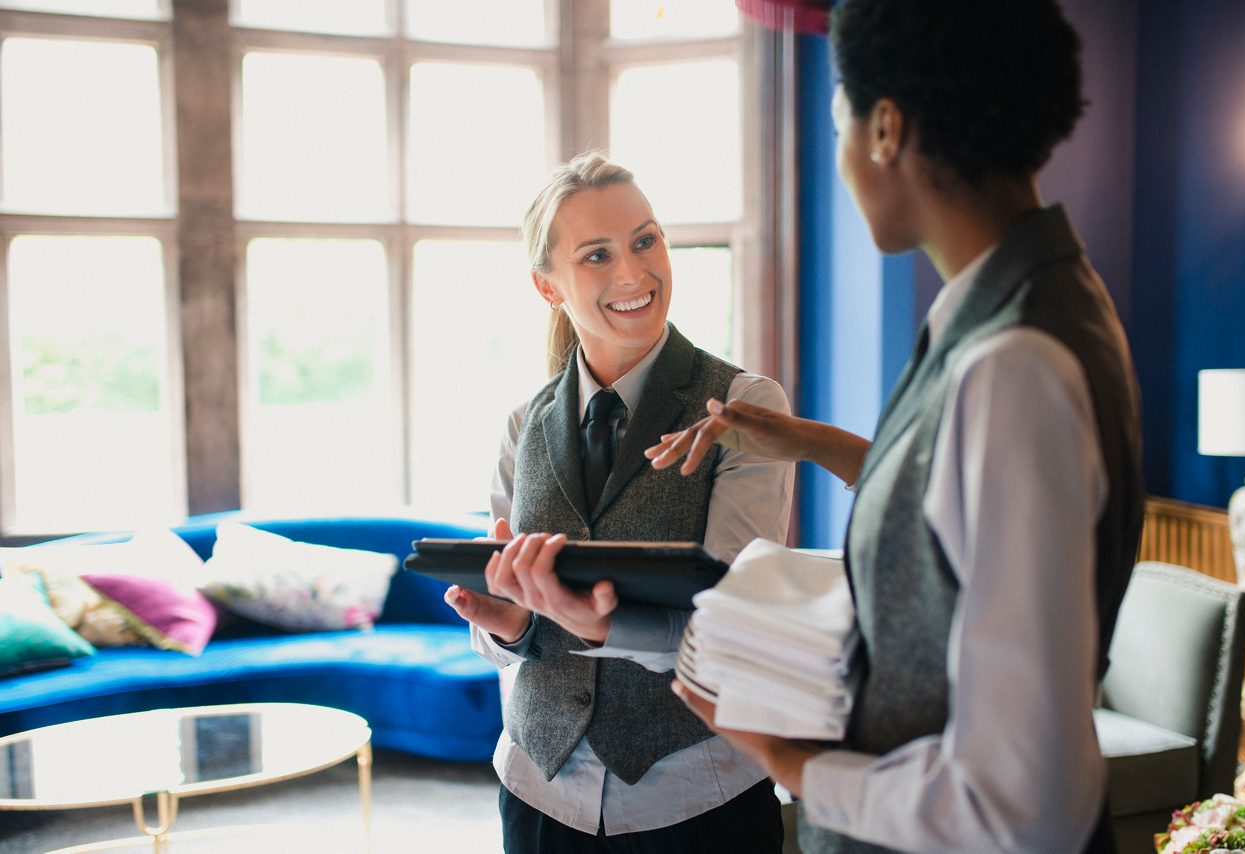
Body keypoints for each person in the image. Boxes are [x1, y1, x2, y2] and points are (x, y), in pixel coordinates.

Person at [648, 1, 1144, 851]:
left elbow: (1024, 800)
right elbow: (963, 512)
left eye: (840, 115)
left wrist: (793, 765)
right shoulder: (1040, 298)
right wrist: (802, 439)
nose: (839, 156)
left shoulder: (1012, 365)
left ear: (885, 129)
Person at [443, 151, 796, 854]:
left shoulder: (746, 407)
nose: (633, 273)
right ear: (548, 286)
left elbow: (737, 627)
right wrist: (507, 625)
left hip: (697, 796)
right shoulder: (524, 424)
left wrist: (607, 629)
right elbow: (501, 643)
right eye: (597, 255)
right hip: (538, 793)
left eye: (645, 240)